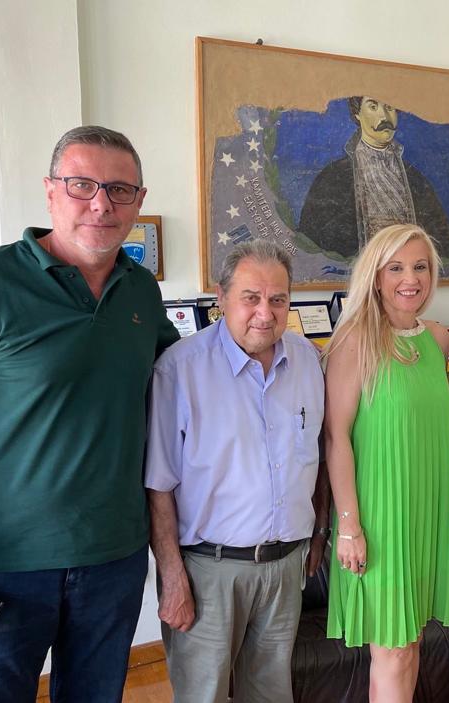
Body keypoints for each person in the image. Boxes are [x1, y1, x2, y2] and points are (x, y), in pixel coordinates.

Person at [0, 125, 179, 702]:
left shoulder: (140, 292)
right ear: (51, 191)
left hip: (113, 560)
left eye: (120, 190)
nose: (101, 203)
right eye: (82, 185)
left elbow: (187, 382)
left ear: (139, 202)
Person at [145, 239, 329, 703]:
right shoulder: (179, 370)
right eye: (251, 298)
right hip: (209, 571)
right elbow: (158, 485)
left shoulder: (309, 360)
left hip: (285, 568)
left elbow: (319, 456)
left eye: (278, 299)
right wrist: (172, 577)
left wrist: (320, 532)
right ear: (221, 298)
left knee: (271, 694)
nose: (265, 313)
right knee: (202, 695)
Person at [325, 223, 449, 702]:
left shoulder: (438, 339)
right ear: (376, 276)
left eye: (420, 267)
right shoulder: (354, 340)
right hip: (380, 517)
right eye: (397, 268)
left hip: (426, 511)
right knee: (394, 648)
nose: (411, 278)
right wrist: (349, 526)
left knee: (411, 640)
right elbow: (336, 438)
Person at [298, 96, 449, 259]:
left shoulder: (416, 180)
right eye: (373, 107)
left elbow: (444, 245)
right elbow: (313, 247)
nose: (384, 117)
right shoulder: (332, 178)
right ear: (357, 114)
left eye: (390, 107)